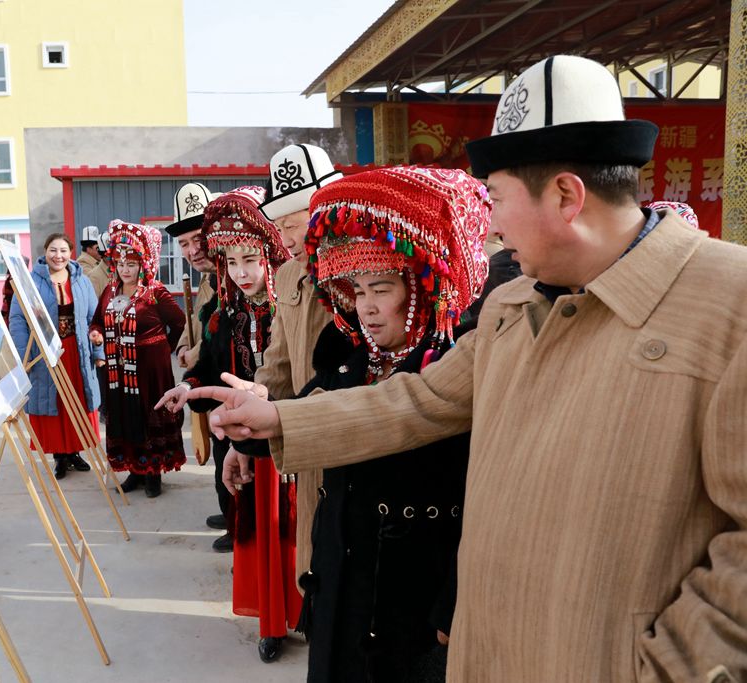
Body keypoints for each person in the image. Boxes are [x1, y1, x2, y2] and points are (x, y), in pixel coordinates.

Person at [191, 55, 747, 681]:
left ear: (566, 195)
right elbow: (417, 401)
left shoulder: (730, 308)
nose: (492, 225)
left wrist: (669, 669)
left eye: (499, 200)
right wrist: (277, 418)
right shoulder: (514, 308)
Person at [291, 166, 491, 682]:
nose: (366, 308)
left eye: (381, 287)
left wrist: (453, 603)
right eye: (356, 291)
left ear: (424, 287)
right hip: (342, 590)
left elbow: (485, 504)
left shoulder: (457, 368)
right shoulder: (344, 357)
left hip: (411, 604)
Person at [156, 187, 300, 663]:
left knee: (301, 536)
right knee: (262, 533)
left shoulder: (295, 310)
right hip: (251, 447)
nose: (241, 272)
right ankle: (272, 621)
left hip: (296, 441)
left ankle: (306, 610)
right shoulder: (224, 317)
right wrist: (188, 388)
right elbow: (211, 368)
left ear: (269, 255)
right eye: (232, 261)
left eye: (250, 259)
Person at [244, 143, 340, 586]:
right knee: (311, 560)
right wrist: (251, 404)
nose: (285, 239)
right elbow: (276, 362)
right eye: (279, 228)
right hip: (302, 444)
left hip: (345, 433)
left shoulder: (355, 271)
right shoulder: (286, 275)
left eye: (294, 225)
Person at [90, 220, 186, 498]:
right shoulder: (110, 291)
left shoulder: (155, 292)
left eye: (130, 264)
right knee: (124, 414)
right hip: (119, 370)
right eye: (120, 264)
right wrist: (96, 334)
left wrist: (163, 348)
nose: (125, 270)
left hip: (150, 370)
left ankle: (153, 472)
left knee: (149, 414)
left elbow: (180, 323)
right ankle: (135, 469)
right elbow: (96, 321)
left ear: (142, 264)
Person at [164, 181, 232, 551]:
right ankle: (230, 511)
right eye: (184, 244)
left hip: (229, 383)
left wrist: (199, 353)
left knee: (230, 456)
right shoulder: (209, 280)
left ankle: (239, 523)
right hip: (206, 382)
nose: (192, 251)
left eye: (197, 240)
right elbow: (195, 325)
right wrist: (185, 345)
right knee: (221, 458)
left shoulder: (236, 276)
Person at [9, 234, 100, 479]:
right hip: (45, 355)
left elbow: (95, 319)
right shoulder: (30, 282)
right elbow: (18, 319)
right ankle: (59, 456)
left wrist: (98, 350)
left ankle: (74, 451)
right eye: (52, 250)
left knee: (77, 401)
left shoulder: (82, 281)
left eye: (63, 250)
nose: (57, 256)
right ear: (45, 251)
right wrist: (22, 355)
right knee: (55, 403)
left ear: (71, 252)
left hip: (77, 352)